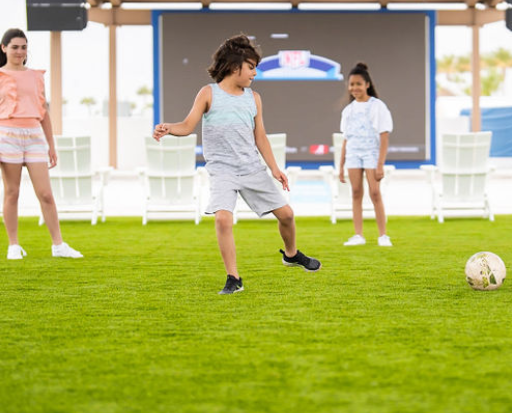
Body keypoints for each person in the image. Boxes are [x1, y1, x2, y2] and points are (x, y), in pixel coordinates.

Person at [153, 34, 321, 295]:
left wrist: (275, 169)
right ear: (234, 67)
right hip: (223, 171)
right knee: (222, 219)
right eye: (251, 66)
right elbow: (187, 126)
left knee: (287, 215)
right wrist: (168, 128)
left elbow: (260, 136)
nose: (255, 72)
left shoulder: (253, 98)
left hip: (252, 169)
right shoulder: (208, 93)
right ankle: (234, 278)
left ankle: (290, 254)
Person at [0, 28, 83, 260]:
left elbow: (44, 113)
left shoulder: (36, 76)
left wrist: (51, 145)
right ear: (4, 48)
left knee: (46, 194)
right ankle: (13, 246)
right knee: (12, 192)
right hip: (8, 136)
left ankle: (58, 245)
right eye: (15, 47)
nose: (20, 51)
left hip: (34, 137)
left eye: (24, 47)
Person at [338, 62, 394, 247]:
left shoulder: (378, 106)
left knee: (375, 192)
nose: (355, 88)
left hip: (371, 153)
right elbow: (346, 139)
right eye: (352, 84)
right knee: (355, 192)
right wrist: (340, 166)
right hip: (353, 154)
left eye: (358, 84)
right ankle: (358, 235)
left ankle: (383, 235)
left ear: (367, 84)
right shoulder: (348, 110)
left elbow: (384, 135)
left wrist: (380, 164)